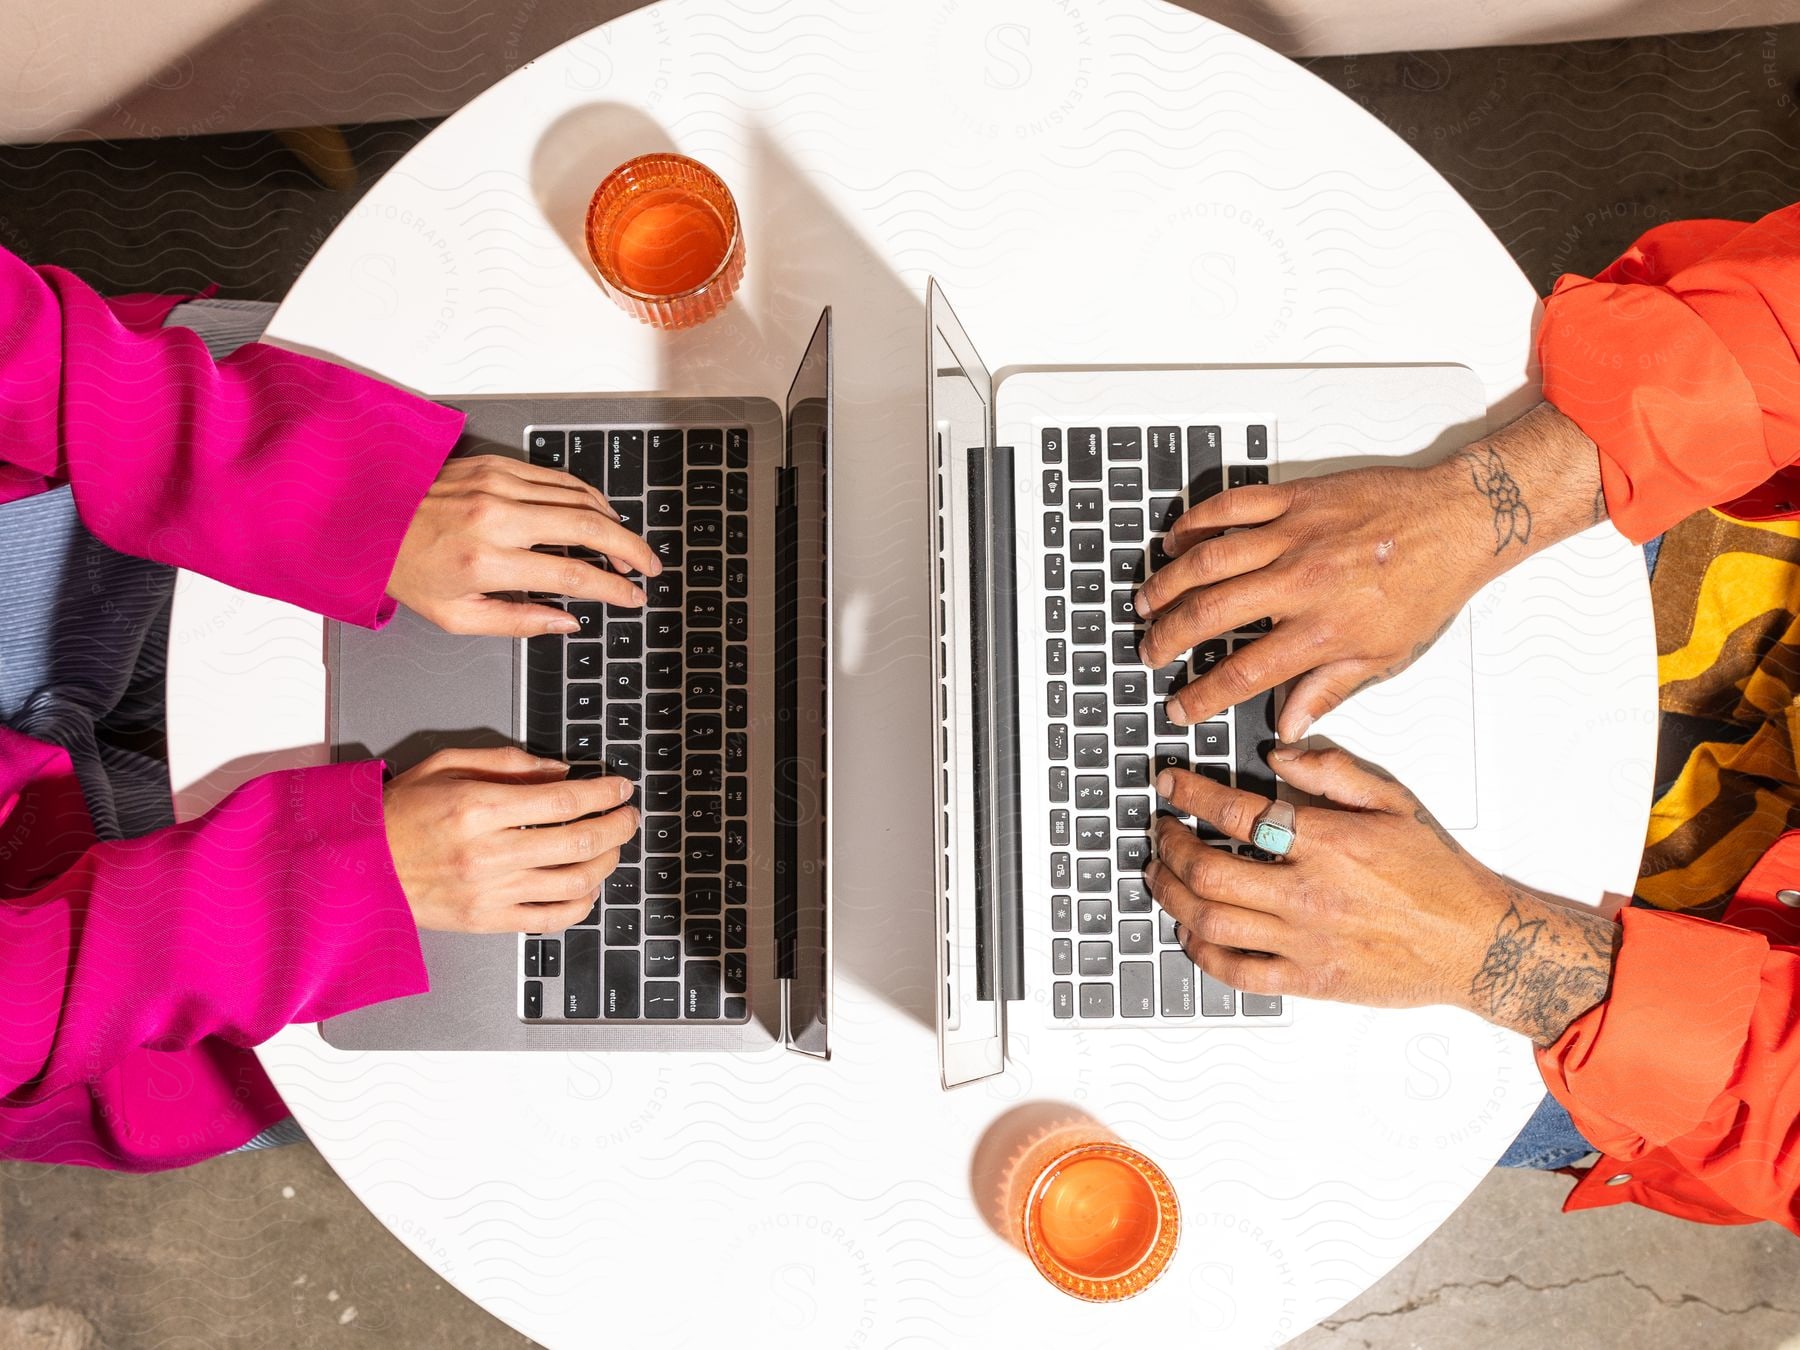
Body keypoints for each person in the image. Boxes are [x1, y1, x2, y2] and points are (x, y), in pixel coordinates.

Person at [1140, 201, 1800, 1231]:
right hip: (1692, 499)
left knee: (1162, 1071)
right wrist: (1489, 499)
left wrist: (1497, 955)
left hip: (1659, 1022)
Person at [0, 246, 654, 1171]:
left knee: (476, 379)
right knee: (446, 1063)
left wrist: (338, 494)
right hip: (67, 954)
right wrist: (329, 887)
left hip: (34, 477)